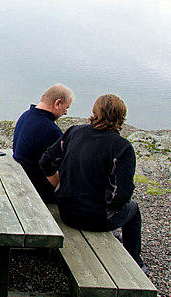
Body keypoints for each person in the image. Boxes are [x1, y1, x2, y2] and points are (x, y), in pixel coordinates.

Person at [39, 94, 145, 270]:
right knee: (133, 210)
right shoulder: (122, 147)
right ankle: (135, 262)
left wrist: (58, 183)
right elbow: (124, 194)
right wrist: (108, 207)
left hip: (66, 212)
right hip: (95, 219)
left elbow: (46, 161)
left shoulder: (74, 132)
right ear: (121, 117)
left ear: (94, 111)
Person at [12, 83, 74, 202]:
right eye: (66, 107)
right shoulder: (50, 131)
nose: (65, 112)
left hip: (22, 177)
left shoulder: (26, 116)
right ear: (57, 103)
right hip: (38, 188)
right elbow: (63, 166)